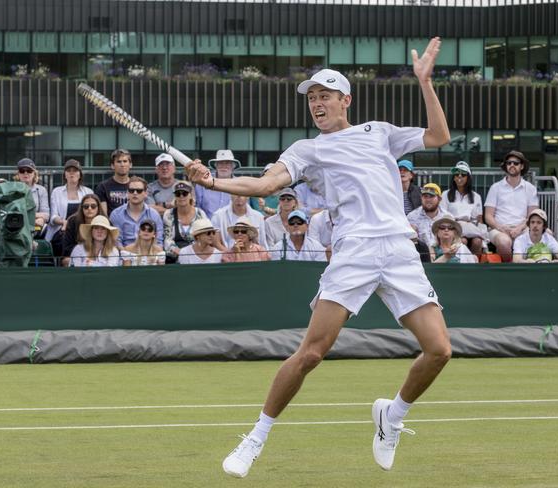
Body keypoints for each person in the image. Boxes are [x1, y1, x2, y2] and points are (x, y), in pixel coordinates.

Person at [187, 38, 451, 478]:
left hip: (400, 248)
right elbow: (264, 187)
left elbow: (438, 136)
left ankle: (393, 415)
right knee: (311, 353)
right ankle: (255, 438)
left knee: (440, 350)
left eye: (324, 95)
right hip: (355, 252)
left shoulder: (379, 132)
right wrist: (212, 182)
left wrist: (425, 81)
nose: (316, 103)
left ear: (346, 99)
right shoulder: (307, 150)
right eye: (311, 98)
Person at [484, 150, 539, 262]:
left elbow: (532, 216)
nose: (512, 165)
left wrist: (519, 228)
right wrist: (502, 228)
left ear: (522, 166)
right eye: (509, 163)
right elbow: (488, 216)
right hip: (499, 229)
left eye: (516, 163)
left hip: (523, 227)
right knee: (504, 243)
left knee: (545, 235)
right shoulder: (495, 188)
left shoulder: (530, 189)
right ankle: (510, 270)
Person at [440, 161, 485, 256]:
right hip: (452, 228)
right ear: (454, 178)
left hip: (470, 228)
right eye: (456, 174)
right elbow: (443, 216)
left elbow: (479, 219)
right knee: (462, 241)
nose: (459, 176)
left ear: (468, 178)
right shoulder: (445, 194)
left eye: (463, 174)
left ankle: (474, 266)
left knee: (477, 242)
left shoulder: (476, 196)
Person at [46, 159, 93, 252]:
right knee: (64, 240)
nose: (72, 173)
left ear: (80, 174)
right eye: (69, 171)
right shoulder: (56, 192)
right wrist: (64, 222)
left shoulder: (88, 192)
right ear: (65, 175)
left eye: (75, 171)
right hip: (62, 230)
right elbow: (53, 217)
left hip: (83, 230)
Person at [109, 176, 163, 247]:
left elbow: (158, 241)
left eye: (139, 190)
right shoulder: (116, 214)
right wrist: (127, 255)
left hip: (149, 254)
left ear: (145, 193)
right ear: (127, 193)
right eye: (131, 190)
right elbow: (116, 241)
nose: (135, 193)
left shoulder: (154, 215)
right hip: (124, 254)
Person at [406, 182, 453, 262]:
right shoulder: (412, 217)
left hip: (444, 254)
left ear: (439, 199)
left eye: (431, 196)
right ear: (421, 198)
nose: (428, 200)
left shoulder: (448, 217)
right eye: (425, 196)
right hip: (420, 257)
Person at [162, 181, 207, 262]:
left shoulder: (200, 213)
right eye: (178, 194)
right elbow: (167, 239)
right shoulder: (168, 214)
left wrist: (190, 253)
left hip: (197, 256)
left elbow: (205, 237)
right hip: (175, 257)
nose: (181, 196)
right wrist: (178, 251)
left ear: (191, 195)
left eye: (185, 193)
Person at [61, 194, 105, 265]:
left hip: (100, 254)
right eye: (86, 206)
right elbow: (67, 248)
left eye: (93, 206)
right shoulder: (73, 221)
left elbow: (109, 244)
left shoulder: (105, 220)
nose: (89, 209)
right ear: (82, 208)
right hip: (78, 254)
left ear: (98, 207)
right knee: (66, 261)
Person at [195, 149, 239, 218]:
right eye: (220, 163)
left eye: (227, 163)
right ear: (216, 165)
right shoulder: (203, 182)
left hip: (233, 226)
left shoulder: (239, 184)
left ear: (233, 166)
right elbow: (197, 208)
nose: (223, 166)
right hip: (207, 226)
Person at [15, 158, 49, 232]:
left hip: (35, 228)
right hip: (16, 227)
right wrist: (35, 216)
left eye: (29, 171)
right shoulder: (12, 189)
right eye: (22, 171)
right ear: (18, 174)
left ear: (34, 173)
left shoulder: (41, 190)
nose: (25, 173)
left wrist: (41, 219)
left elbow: (46, 214)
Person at [95, 148, 132, 215]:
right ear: (112, 166)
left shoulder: (137, 186)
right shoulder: (103, 187)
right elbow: (104, 215)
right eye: (119, 161)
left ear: (130, 165)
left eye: (125, 161)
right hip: (112, 224)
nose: (122, 164)